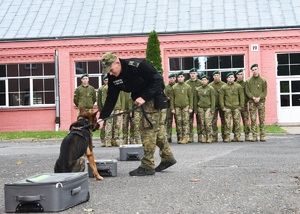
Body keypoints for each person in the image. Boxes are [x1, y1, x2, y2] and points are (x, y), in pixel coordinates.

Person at [97, 52, 176, 176]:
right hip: (140, 100)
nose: (110, 73)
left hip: (152, 97)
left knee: (147, 129)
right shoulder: (113, 77)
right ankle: (168, 157)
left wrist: (144, 97)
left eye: (111, 69)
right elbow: (111, 98)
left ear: (117, 62)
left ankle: (148, 165)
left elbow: (158, 80)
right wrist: (102, 118)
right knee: (155, 130)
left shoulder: (136, 65)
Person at [245, 64, 268, 142]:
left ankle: (262, 135)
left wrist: (259, 98)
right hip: (252, 102)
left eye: (255, 69)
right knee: (253, 119)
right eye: (253, 70)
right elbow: (247, 91)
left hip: (261, 102)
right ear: (251, 71)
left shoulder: (263, 80)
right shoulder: (248, 81)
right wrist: (253, 97)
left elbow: (265, 91)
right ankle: (254, 136)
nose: (254, 71)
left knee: (262, 119)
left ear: (258, 69)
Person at [219, 72, 244, 142]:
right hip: (227, 107)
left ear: (234, 78)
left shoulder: (238, 86)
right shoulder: (224, 87)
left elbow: (241, 96)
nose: (230, 78)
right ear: (227, 79)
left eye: (232, 77)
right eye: (229, 77)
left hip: (236, 107)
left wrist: (241, 106)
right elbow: (221, 98)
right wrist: (223, 107)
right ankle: (227, 136)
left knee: (237, 122)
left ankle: (237, 136)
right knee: (227, 123)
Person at [170, 71, 193, 144]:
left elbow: (190, 98)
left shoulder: (187, 87)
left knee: (185, 122)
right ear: (177, 78)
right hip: (177, 107)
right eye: (179, 77)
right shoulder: (174, 87)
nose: (180, 78)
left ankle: (185, 137)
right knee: (179, 122)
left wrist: (190, 107)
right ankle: (180, 137)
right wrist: (172, 108)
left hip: (186, 106)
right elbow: (172, 98)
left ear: (184, 77)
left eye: (181, 77)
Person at [194, 75, 215, 143]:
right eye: (202, 80)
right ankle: (205, 136)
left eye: (205, 80)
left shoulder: (210, 88)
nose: (203, 81)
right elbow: (196, 100)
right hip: (200, 107)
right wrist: (196, 109)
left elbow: (213, 99)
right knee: (202, 123)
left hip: (208, 107)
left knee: (207, 122)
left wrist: (212, 109)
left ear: (208, 81)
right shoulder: (198, 89)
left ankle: (209, 136)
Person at [185, 68, 202, 143]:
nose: (193, 74)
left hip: (199, 104)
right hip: (189, 105)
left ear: (197, 74)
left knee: (200, 121)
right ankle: (191, 136)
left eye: (194, 73)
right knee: (189, 121)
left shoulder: (201, 83)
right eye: (191, 73)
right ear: (190, 74)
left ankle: (200, 136)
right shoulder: (186, 83)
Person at [209, 71, 226, 142]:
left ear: (220, 76)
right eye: (215, 75)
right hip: (214, 106)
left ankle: (225, 136)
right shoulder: (210, 85)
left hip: (222, 106)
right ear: (213, 76)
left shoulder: (224, 85)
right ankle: (214, 136)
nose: (216, 77)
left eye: (217, 75)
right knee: (213, 122)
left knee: (224, 121)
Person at [235, 69, 251, 141]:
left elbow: (248, 94)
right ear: (236, 76)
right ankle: (237, 135)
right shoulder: (234, 84)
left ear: (243, 75)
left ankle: (247, 135)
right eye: (238, 74)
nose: (240, 76)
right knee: (236, 121)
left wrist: (245, 101)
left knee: (246, 120)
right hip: (236, 106)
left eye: (241, 74)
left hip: (244, 105)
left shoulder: (246, 84)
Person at [97, 74, 109, 147]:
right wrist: (100, 109)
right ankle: (103, 140)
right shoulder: (101, 89)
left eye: (108, 80)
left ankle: (109, 139)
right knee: (102, 125)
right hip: (103, 109)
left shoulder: (111, 87)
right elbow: (99, 100)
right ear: (103, 81)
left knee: (109, 125)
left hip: (109, 109)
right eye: (105, 80)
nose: (107, 81)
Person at [165, 73, 177, 143]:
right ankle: (168, 136)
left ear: (175, 79)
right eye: (170, 78)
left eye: (173, 78)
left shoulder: (177, 86)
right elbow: (163, 95)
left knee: (178, 121)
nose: (172, 79)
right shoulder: (166, 87)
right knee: (168, 122)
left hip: (176, 106)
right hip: (168, 106)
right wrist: (167, 98)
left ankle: (179, 136)